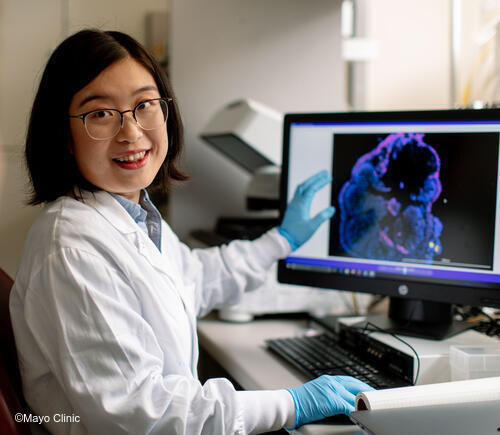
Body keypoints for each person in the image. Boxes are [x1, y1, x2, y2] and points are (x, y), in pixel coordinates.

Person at [9, 29, 373, 435]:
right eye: (100, 114)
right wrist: (292, 403)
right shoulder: (73, 250)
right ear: (63, 137)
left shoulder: (132, 212)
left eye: (144, 104)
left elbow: (193, 279)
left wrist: (282, 239)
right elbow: (142, 415)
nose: (130, 132)